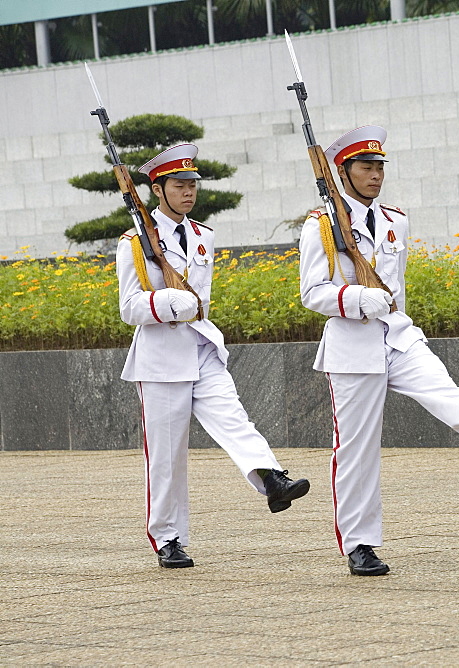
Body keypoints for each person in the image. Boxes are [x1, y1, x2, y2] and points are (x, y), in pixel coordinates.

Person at [298, 126, 459, 576]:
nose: (375, 175)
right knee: (357, 450)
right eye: (365, 168)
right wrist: (352, 299)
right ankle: (360, 544)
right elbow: (312, 292)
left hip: (396, 333)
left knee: (442, 386)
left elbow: (396, 287)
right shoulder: (321, 225)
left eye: (379, 167)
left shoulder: (394, 220)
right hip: (352, 346)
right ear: (343, 172)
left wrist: (384, 308)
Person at [116, 143, 310, 569]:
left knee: (234, 418)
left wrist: (188, 308)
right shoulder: (133, 242)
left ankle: (271, 477)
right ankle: (168, 538)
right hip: (161, 359)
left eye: (192, 185)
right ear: (158, 189)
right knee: (167, 458)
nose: (189, 192)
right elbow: (129, 306)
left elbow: (199, 299)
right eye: (180, 185)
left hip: (201, 347)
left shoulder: (203, 236)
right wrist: (169, 303)